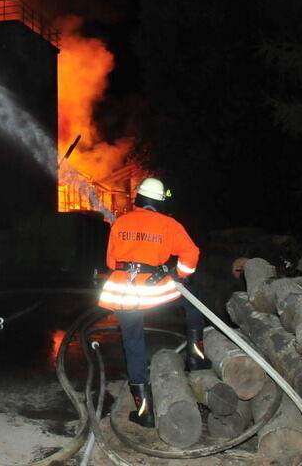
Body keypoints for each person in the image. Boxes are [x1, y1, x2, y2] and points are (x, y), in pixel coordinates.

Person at [98, 177, 209, 428]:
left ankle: (145, 412)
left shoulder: (121, 222)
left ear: (138, 198)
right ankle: (196, 356)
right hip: (155, 290)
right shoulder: (169, 224)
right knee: (194, 301)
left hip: (124, 291)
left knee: (133, 344)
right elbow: (191, 254)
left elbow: (110, 261)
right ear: (159, 202)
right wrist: (179, 274)